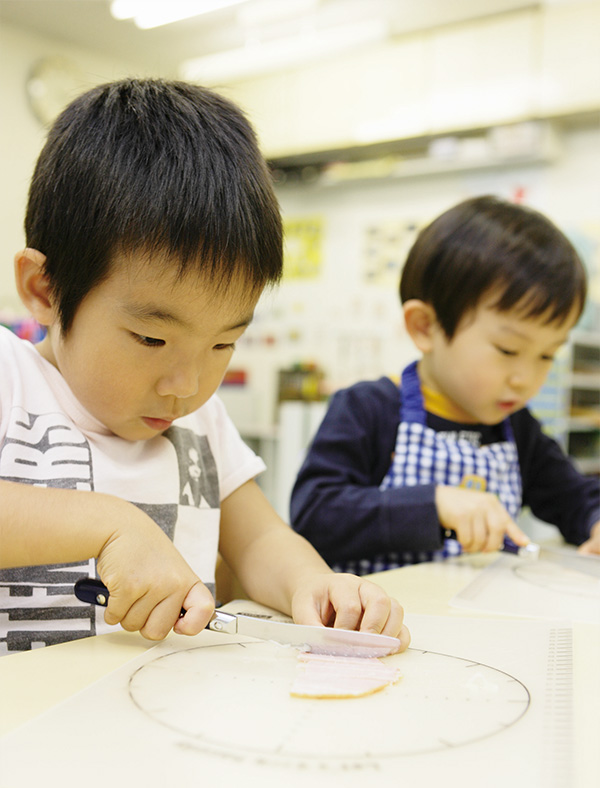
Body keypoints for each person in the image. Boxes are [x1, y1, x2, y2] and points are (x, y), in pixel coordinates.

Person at [0, 78, 409, 655]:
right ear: (44, 290)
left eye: (223, 345)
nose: (186, 387)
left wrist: (314, 584)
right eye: (151, 338)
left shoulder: (202, 422)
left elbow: (260, 539)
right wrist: (109, 523)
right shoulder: (10, 378)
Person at [291, 196, 600, 575]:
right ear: (425, 326)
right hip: (375, 624)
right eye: (508, 349)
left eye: (547, 355)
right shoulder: (368, 408)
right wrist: (432, 504)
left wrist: (595, 521)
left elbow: (575, 497)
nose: (526, 379)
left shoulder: (517, 427)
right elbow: (315, 515)